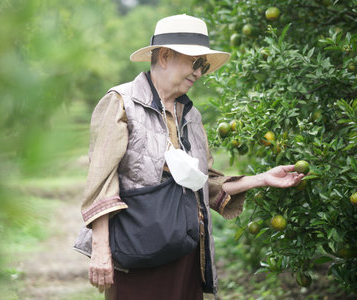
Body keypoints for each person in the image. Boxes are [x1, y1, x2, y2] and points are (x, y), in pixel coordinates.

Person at [73, 14, 304, 300]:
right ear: (166, 56)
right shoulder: (122, 103)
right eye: (195, 62)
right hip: (138, 250)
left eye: (203, 66)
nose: (199, 72)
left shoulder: (191, 115)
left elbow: (201, 184)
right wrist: (100, 249)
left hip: (185, 251)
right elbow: (101, 180)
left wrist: (261, 179)